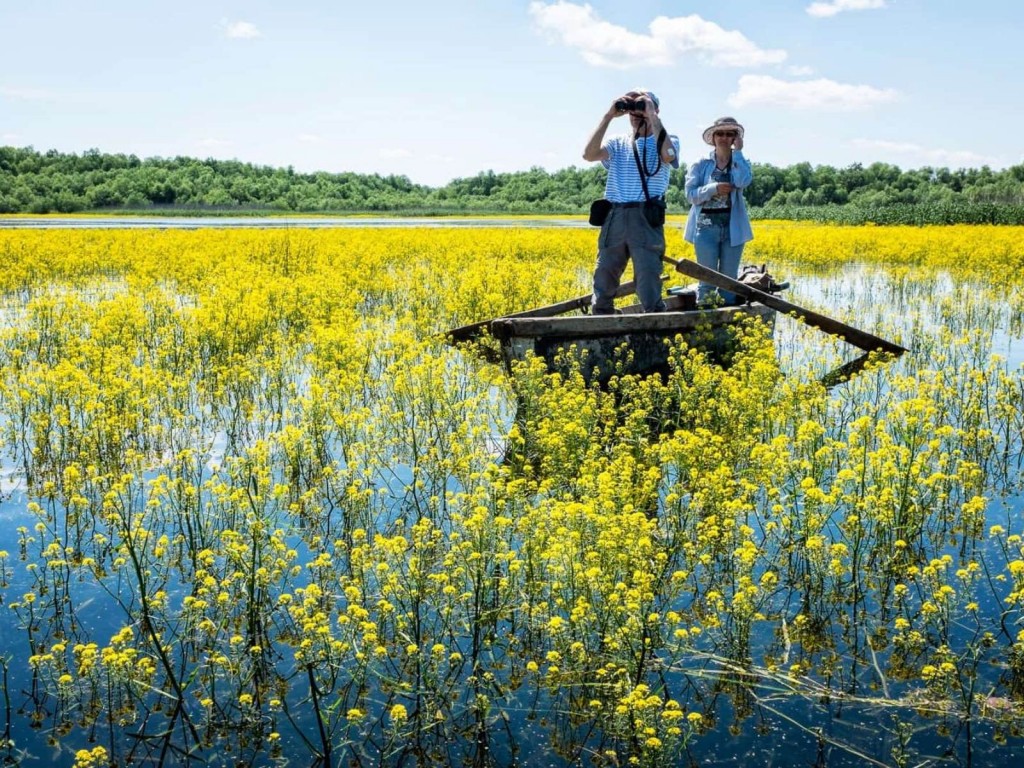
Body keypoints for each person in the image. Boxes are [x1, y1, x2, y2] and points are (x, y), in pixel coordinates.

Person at [583, 90, 680, 314]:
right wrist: (608, 116)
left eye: (642, 107)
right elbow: (588, 154)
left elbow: (669, 156)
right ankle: (601, 316)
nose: (637, 113)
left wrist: (652, 115)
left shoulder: (667, 139)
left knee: (647, 272)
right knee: (605, 270)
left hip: (645, 216)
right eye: (633, 109)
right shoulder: (618, 143)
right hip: (615, 214)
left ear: (656, 110)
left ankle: (654, 318)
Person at [684, 116, 753, 306]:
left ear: (735, 139)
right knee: (706, 280)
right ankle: (705, 318)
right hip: (705, 228)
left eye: (729, 134)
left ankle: (726, 322)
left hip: (733, 228)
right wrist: (713, 189)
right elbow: (691, 195)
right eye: (720, 133)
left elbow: (742, 181)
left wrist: (738, 152)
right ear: (713, 137)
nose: (724, 137)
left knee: (728, 282)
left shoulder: (741, 162)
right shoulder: (701, 164)